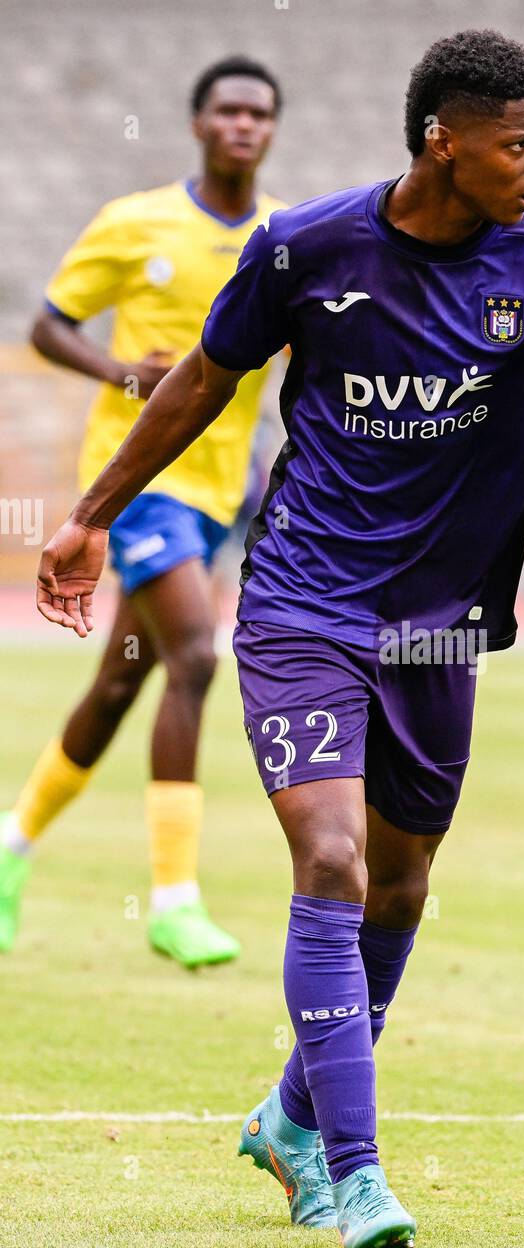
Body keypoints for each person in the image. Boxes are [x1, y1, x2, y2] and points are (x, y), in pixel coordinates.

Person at [33, 30, 524, 1248]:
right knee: (330, 859)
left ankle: (291, 1114)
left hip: (439, 631)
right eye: (522, 142)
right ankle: (352, 1174)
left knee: (400, 883)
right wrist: (89, 516)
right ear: (443, 140)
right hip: (302, 600)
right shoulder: (306, 248)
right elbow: (198, 382)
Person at [1, 56, 284, 967]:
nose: (243, 126)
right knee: (198, 657)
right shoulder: (135, 223)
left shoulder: (285, 239)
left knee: (122, 682)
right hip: (137, 482)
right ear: (198, 123)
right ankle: (172, 900)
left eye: (259, 115)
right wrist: (122, 373)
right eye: (228, 111)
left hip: (219, 491)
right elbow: (50, 323)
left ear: (271, 131)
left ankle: (9, 850)